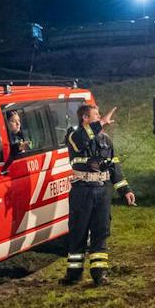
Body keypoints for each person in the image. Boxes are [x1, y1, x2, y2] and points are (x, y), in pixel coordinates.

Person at [61, 101, 135, 287]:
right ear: (85, 118)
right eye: (96, 115)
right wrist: (100, 123)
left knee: (101, 232)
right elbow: (80, 142)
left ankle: (99, 273)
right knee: (78, 232)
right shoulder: (73, 134)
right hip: (82, 190)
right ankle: (74, 274)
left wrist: (125, 189)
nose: (100, 118)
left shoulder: (105, 139)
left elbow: (114, 166)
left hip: (102, 190)